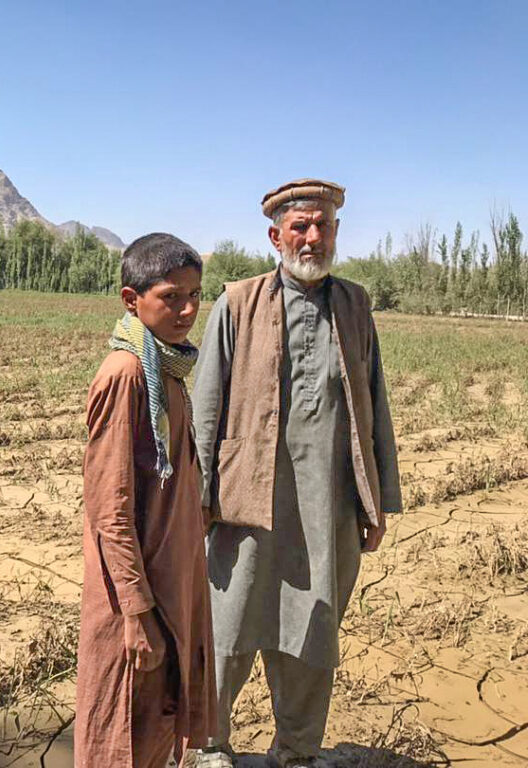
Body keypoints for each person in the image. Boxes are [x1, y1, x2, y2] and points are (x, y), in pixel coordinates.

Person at [191, 180, 402, 768]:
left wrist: (377, 500)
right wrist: (198, 499)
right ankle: (211, 746)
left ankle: (298, 751)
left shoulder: (355, 305)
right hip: (244, 500)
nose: (313, 237)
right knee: (228, 625)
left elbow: (374, 403)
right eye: (301, 226)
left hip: (327, 506)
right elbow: (207, 406)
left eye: (324, 226)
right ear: (275, 235)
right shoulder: (237, 303)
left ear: (336, 232)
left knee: (313, 629)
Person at [75, 233, 217, 768]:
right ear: (131, 300)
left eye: (195, 295)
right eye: (172, 296)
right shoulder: (129, 373)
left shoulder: (167, 367)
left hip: (169, 581)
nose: (187, 309)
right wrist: (136, 612)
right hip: (136, 597)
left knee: (156, 725)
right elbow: (108, 508)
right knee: (123, 732)